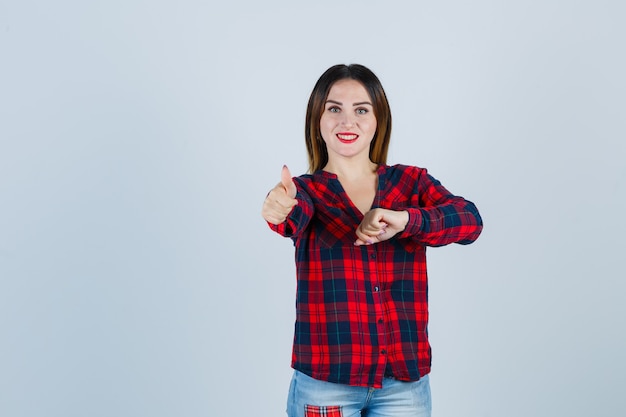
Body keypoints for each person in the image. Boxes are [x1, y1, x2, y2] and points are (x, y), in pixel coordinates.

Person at [262, 64, 483, 417]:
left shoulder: (411, 184)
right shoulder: (306, 192)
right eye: (334, 109)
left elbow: (470, 221)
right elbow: (291, 217)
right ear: (317, 120)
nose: (347, 122)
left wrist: (408, 220)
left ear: (378, 119)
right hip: (326, 384)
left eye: (361, 110)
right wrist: (279, 208)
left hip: (404, 385)